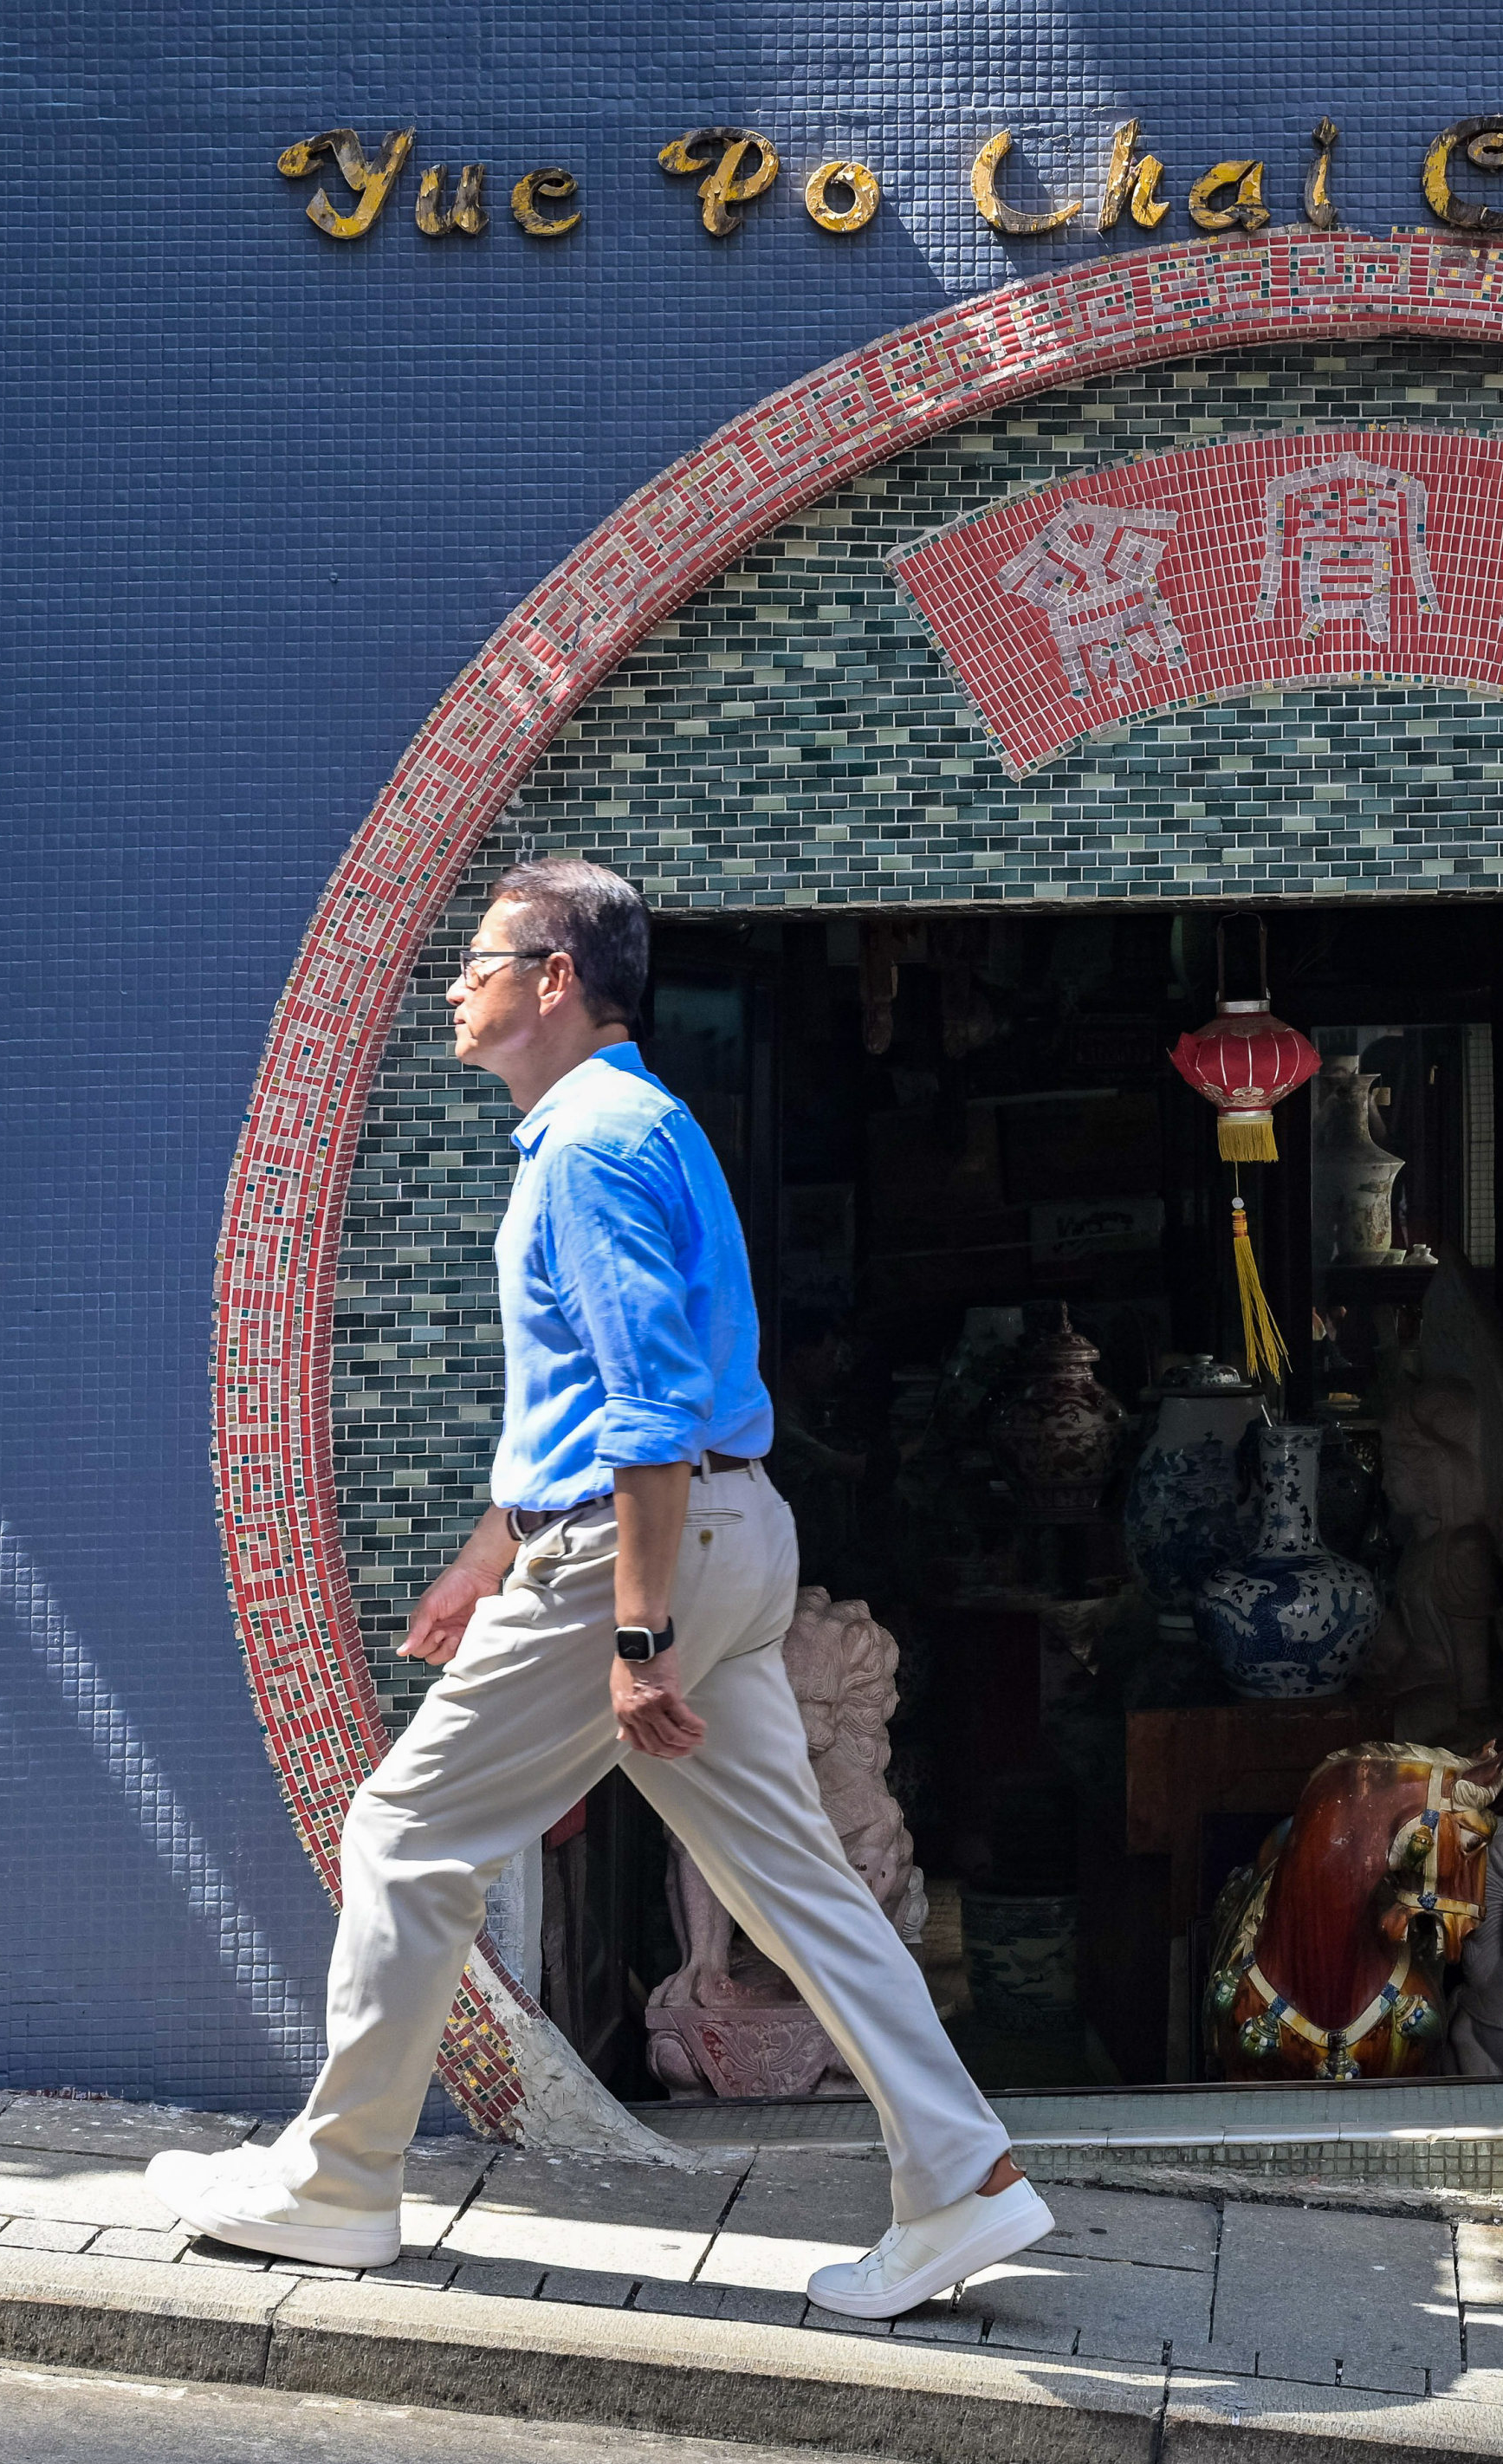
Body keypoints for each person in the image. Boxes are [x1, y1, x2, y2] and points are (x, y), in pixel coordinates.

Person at [146, 855, 1049, 2318]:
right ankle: (962, 2177)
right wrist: (488, 1553)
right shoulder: (647, 1126)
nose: (455, 981)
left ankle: (336, 2188)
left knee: (403, 1832)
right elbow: (604, 1403)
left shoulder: (587, 1147)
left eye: (481, 956)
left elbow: (646, 1409)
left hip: (651, 1555)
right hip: (726, 1540)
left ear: (554, 978)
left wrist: (634, 1633)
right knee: (801, 1885)